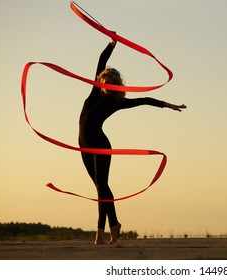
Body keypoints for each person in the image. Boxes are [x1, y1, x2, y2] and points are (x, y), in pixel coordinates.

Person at [78, 38, 186, 245]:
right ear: (101, 81)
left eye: (111, 83)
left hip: (100, 145)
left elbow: (144, 100)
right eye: (105, 81)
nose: (107, 85)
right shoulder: (94, 91)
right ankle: (115, 224)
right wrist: (112, 43)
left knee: (101, 186)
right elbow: (101, 60)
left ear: (116, 86)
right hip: (83, 144)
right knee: (101, 187)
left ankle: (100, 231)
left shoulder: (116, 102)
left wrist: (168, 105)